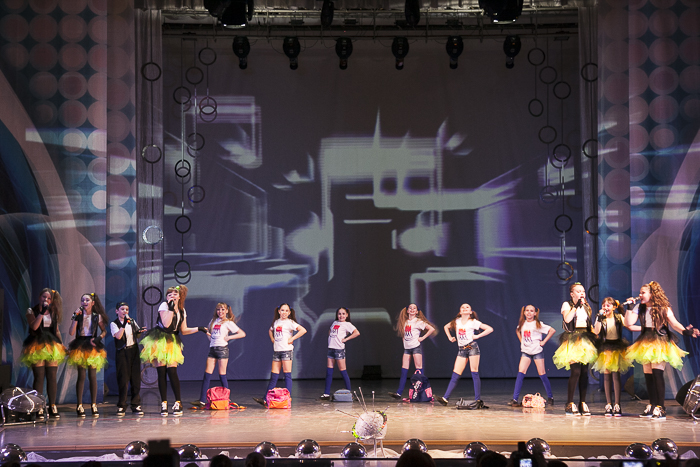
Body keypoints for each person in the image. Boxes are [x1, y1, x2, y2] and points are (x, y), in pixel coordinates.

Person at [624, 281, 700, 420]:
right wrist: (629, 307)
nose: (640, 295)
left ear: (652, 294)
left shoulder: (664, 308)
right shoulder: (639, 307)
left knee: (657, 374)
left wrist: (685, 331)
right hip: (645, 341)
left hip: (659, 341)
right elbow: (628, 323)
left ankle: (660, 407)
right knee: (648, 375)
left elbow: (674, 324)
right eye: (640, 292)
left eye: (643, 292)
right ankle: (652, 405)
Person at [140, 285, 207, 416]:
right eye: (169, 294)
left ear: (179, 296)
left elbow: (184, 330)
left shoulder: (182, 310)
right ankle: (164, 403)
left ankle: (178, 402)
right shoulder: (164, 306)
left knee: (172, 371)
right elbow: (166, 324)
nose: (172, 296)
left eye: (174, 294)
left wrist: (199, 329)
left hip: (172, 341)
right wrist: (171, 308)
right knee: (161, 372)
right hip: (160, 340)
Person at [552, 282, 598, 416]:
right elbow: (567, 319)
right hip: (573, 339)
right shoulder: (567, 305)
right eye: (578, 291)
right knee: (576, 372)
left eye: (583, 291)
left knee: (584, 372)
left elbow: (589, 325)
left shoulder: (587, 307)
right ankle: (570, 403)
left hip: (585, 340)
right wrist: (576, 306)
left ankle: (582, 402)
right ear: (572, 294)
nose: (581, 293)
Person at [21, 288, 67, 420]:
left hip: (51, 345)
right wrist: (41, 313)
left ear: (51, 300)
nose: (45, 300)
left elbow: (56, 330)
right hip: (37, 345)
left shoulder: (53, 312)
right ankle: (39, 406)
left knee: (52, 376)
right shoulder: (31, 311)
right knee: (39, 377)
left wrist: (61, 344)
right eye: (43, 297)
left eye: (48, 298)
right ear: (39, 297)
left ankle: (52, 406)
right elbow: (34, 327)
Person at [437, 303, 492, 406]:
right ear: (460, 311)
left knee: (474, 372)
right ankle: (445, 398)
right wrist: (450, 337)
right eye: (462, 307)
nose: (464, 308)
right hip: (462, 349)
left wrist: (478, 336)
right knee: (455, 374)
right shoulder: (456, 321)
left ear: (470, 312)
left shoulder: (473, 322)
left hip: (472, 348)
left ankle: (478, 400)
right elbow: (446, 327)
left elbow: (489, 329)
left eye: (467, 307)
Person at [192, 302, 246, 407]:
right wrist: (211, 339)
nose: (220, 312)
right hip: (212, 349)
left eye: (222, 309)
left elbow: (242, 334)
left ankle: (226, 399)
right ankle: (202, 400)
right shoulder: (213, 321)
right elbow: (208, 332)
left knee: (222, 374)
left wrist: (229, 337)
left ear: (226, 311)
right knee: (207, 374)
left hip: (222, 350)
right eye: (218, 309)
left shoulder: (228, 322)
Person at [253, 303, 307, 406]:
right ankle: (265, 399)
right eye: (282, 310)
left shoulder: (290, 322)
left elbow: (303, 330)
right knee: (274, 377)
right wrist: (272, 339)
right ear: (279, 311)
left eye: (286, 311)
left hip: (286, 351)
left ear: (289, 312)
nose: (284, 313)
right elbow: (270, 330)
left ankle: (287, 399)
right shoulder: (276, 322)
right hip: (277, 352)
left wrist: (292, 338)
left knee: (287, 375)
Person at [592, 297, 636, 417]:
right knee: (606, 376)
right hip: (605, 348)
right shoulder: (601, 318)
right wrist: (598, 317)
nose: (606, 307)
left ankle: (617, 404)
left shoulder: (618, 317)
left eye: (608, 305)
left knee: (616, 376)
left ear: (614, 307)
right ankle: (608, 404)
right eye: (604, 305)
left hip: (617, 347)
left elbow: (628, 324)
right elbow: (596, 331)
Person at [68, 292, 108, 417]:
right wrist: (75, 317)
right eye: (82, 300)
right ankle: (79, 405)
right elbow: (71, 332)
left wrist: (98, 338)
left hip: (92, 345)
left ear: (93, 303)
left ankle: (93, 404)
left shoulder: (97, 316)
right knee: (81, 375)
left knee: (92, 376)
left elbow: (104, 331)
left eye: (87, 300)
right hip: (80, 345)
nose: (84, 302)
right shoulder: (78, 316)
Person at [508, 305, 555, 407]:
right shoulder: (522, 323)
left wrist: (543, 342)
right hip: (526, 352)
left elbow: (552, 330)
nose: (529, 312)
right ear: (524, 312)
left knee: (542, 374)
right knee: (521, 373)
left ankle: (550, 397)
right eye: (527, 310)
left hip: (537, 351)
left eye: (531, 311)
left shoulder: (538, 324)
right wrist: (522, 341)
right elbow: (517, 330)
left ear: (535, 313)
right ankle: (515, 399)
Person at [388, 303, 436, 400]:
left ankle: (422, 393)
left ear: (417, 311)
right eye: (410, 308)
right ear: (407, 311)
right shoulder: (405, 322)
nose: (412, 309)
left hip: (416, 347)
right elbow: (404, 334)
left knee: (419, 370)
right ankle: (399, 393)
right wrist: (404, 343)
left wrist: (422, 338)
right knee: (404, 370)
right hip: (407, 349)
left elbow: (431, 329)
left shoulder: (418, 321)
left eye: (414, 308)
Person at [110, 302, 146, 416]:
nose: (125, 311)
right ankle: (122, 405)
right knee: (123, 379)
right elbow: (118, 336)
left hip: (133, 351)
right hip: (122, 352)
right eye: (122, 309)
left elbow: (137, 334)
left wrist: (139, 331)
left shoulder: (132, 321)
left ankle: (136, 404)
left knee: (135, 379)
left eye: (127, 309)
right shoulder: (114, 323)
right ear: (117, 311)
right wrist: (124, 324)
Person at [320, 307, 360, 400]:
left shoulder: (347, 324)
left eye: (343, 314)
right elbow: (330, 331)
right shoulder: (335, 322)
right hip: (331, 349)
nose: (341, 315)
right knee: (329, 372)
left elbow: (356, 332)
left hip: (339, 350)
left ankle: (349, 393)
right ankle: (326, 393)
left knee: (343, 371)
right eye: (339, 313)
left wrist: (345, 339)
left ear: (347, 315)